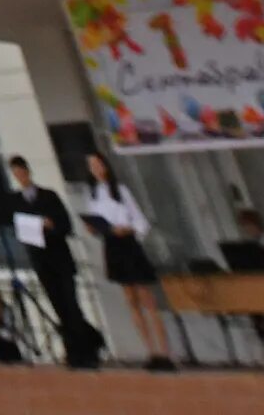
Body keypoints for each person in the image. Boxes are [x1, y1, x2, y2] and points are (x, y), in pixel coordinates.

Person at [3, 157, 102, 367]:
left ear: (28, 172)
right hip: (41, 259)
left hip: (60, 257)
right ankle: (73, 351)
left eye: (22, 172)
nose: (20, 177)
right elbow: (17, 228)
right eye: (16, 174)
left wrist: (51, 225)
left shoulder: (48, 196)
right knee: (58, 305)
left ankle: (86, 350)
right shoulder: (15, 201)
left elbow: (65, 225)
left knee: (71, 303)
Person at [78, 154, 168, 368]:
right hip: (112, 244)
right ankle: (150, 351)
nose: (96, 169)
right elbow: (96, 224)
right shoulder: (92, 195)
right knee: (131, 299)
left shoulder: (120, 189)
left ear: (105, 165)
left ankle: (164, 351)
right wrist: (93, 228)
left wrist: (128, 228)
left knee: (147, 298)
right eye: (91, 166)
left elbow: (138, 219)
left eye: (98, 164)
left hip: (128, 242)